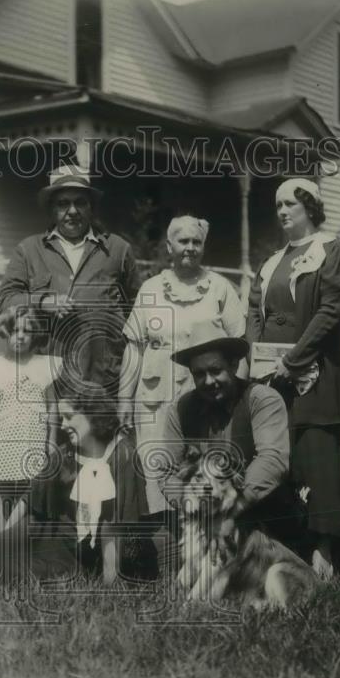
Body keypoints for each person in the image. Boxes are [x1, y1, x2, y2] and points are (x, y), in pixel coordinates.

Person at [245, 178, 340, 578]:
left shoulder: (332, 253)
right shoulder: (271, 261)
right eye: (277, 204)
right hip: (268, 374)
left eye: (289, 203)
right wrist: (256, 359)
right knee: (274, 450)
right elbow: (255, 312)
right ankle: (279, 542)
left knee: (316, 455)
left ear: (310, 206)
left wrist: (292, 361)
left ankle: (324, 549)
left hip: (313, 372)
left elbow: (330, 313)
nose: (281, 211)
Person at [119, 214, 245, 514]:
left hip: (203, 398)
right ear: (169, 245)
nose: (189, 247)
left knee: (198, 467)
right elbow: (134, 348)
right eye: (183, 241)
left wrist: (235, 399)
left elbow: (240, 350)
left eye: (196, 242)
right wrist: (124, 398)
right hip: (154, 399)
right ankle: (162, 543)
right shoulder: (150, 289)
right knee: (157, 466)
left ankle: (203, 537)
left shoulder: (220, 289)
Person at [0, 392, 150, 586]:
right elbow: (29, 498)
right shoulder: (66, 452)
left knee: (15, 573)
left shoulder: (122, 456)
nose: (63, 426)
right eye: (61, 419)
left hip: (78, 549)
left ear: (92, 415)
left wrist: (111, 580)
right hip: (43, 530)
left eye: (69, 417)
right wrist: (4, 539)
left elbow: (113, 527)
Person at [0, 164, 143, 396]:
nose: (72, 211)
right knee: (48, 432)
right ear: (51, 210)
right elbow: (6, 299)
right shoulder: (29, 250)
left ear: (91, 207)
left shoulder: (118, 249)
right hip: (46, 373)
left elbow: (138, 307)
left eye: (80, 202)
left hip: (102, 376)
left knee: (99, 433)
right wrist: (43, 301)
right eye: (63, 203)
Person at [156, 324, 294, 537]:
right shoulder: (181, 408)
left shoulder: (262, 399)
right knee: (162, 551)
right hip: (200, 515)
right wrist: (189, 503)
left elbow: (273, 460)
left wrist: (230, 507)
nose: (209, 381)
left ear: (234, 364)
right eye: (199, 374)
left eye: (215, 371)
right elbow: (166, 470)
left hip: (258, 512)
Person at [0, 308, 61, 534]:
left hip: (34, 436)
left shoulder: (43, 366)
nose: (21, 335)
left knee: (32, 487)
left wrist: (51, 440)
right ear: (6, 332)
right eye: (15, 330)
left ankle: (17, 534)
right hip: (5, 437)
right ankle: (1, 535)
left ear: (34, 336)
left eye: (27, 331)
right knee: (4, 489)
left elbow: (52, 406)